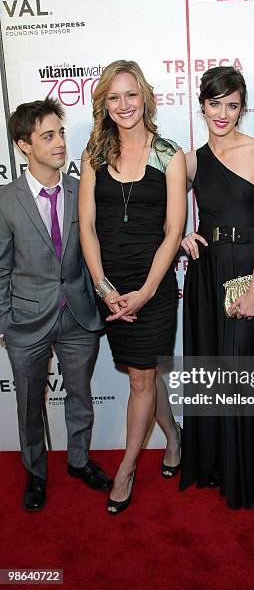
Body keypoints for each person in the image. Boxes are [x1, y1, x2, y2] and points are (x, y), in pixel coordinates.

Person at [180, 66, 254, 509]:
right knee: (212, 368)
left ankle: (250, 471)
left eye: (232, 105)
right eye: (214, 103)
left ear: (242, 108)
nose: (222, 113)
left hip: (248, 270)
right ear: (202, 105)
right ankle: (215, 464)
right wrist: (181, 237)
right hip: (207, 273)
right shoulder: (189, 160)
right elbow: (161, 216)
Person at [79, 60, 186, 515]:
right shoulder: (94, 155)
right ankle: (175, 435)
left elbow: (173, 230)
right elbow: (86, 226)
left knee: (142, 376)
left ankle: (125, 468)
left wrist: (143, 292)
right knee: (143, 372)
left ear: (145, 97)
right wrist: (104, 288)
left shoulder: (170, 154)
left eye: (131, 94)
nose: (124, 105)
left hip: (153, 285)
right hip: (109, 284)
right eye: (114, 97)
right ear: (104, 103)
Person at [0, 98, 112, 512]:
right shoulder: (6, 200)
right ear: (23, 144)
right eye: (48, 136)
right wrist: (4, 322)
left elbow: (93, 251)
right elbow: (0, 267)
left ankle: (79, 461)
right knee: (29, 404)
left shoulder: (82, 189)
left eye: (61, 132)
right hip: (26, 320)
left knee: (80, 395)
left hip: (79, 313)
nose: (60, 142)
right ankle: (35, 472)